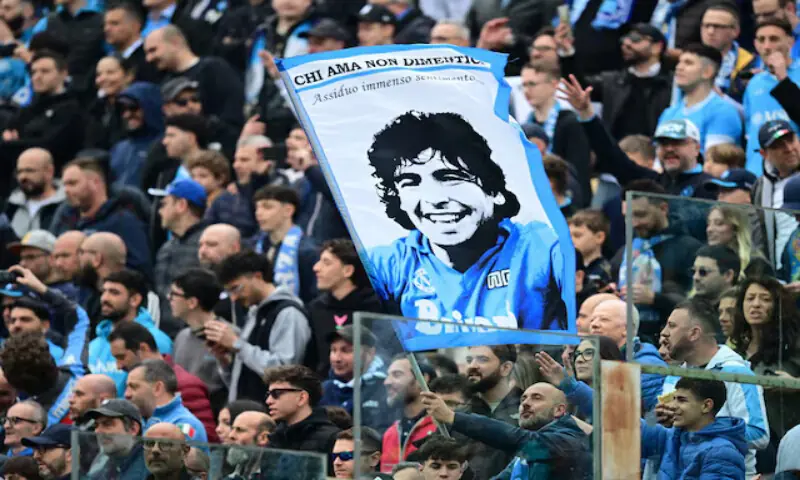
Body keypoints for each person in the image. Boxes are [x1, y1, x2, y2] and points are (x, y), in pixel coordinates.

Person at [366, 110, 569, 330]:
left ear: (493, 189)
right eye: (410, 182)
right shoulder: (388, 263)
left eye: (450, 177)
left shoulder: (541, 248)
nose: (434, 199)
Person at [658, 297, 769, 476]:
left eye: (672, 326)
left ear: (694, 334)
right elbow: (665, 433)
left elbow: (759, 434)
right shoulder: (674, 375)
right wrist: (659, 420)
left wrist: (703, 428)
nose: (664, 333)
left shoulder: (736, 373)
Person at [561, 76, 716, 201]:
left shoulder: (711, 187)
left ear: (696, 148)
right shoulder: (650, 183)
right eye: (663, 143)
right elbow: (611, 157)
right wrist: (586, 114)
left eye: (677, 143)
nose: (669, 149)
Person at [420, 382, 593, 479]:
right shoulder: (522, 457)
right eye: (523, 398)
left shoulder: (567, 440)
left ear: (559, 410)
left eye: (536, 398)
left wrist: (452, 417)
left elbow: (515, 438)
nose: (525, 403)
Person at [209, 251, 312, 402]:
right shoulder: (255, 312)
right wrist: (226, 361)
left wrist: (237, 344)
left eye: (236, 288)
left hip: (271, 419)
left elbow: (284, 371)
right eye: (228, 291)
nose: (233, 298)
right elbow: (242, 380)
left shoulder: (288, 312)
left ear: (257, 277)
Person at [558, 23, 671, 142]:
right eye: (625, 39)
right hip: (617, 154)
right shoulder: (613, 81)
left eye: (635, 39)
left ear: (657, 47)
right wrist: (567, 52)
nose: (626, 43)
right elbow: (579, 86)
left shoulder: (671, 84)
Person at [109, 322, 217, 442]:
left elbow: (206, 440)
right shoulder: (128, 379)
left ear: (143, 348)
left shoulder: (185, 384)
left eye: (122, 357)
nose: (118, 366)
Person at [53, 157, 152, 276]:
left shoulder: (122, 221)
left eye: (72, 183)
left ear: (95, 182)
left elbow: (141, 268)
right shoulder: (65, 220)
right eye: (65, 185)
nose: (66, 190)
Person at [731, 276, 800, 439]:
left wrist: (796, 384)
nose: (756, 304)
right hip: (748, 440)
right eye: (750, 298)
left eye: (765, 299)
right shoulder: (735, 351)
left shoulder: (794, 345)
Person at [640, 378, 747, 479]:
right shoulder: (674, 437)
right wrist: (652, 418)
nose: (672, 406)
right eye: (674, 399)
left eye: (681, 400)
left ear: (706, 406)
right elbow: (633, 428)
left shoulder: (722, 453)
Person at [88, 269, 173, 395]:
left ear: (135, 300)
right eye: (104, 292)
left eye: (114, 293)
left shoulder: (156, 340)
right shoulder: (95, 343)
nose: (104, 298)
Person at [0, 50, 84, 176]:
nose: (37, 77)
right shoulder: (27, 109)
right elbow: (8, 133)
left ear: (63, 74)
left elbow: (50, 145)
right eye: (34, 72)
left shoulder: (72, 109)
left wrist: (11, 144)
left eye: (45, 71)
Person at [144, 25, 243, 132]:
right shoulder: (165, 83)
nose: (149, 59)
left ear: (175, 42)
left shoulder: (214, 69)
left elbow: (233, 112)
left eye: (153, 50)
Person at [308, 238, 383, 372]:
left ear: (347, 270)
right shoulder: (316, 308)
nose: (316, 268)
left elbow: (385, 352)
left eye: (326, 262)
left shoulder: (375, 307)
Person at [522, 62, 591, 202]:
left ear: (554, 85)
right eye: (524, 85)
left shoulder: (570, 122)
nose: (527, 90)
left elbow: (580, 170)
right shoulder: (527, 123)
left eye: (532, 84)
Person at [658, 43, 743, 152]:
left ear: (707, 72)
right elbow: (658, 161)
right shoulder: (669, 113)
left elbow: (715, 163)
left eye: (688, 63)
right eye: (679, 62)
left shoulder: (723, 111)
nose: (679, 67)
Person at [588, 298, 667, 411]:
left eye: (604, 319)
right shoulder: (587, 359)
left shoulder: (646, 365)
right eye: (592, 320)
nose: (594, 325)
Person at [743, 18, 799, 175]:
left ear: (790, 42)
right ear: (755, 44)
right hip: (757, 173)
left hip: (794, 172)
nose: (767, 46)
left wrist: (783, 77)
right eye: (761, 40)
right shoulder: (753, 84)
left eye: (774, 39)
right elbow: (750, 132)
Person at [169, 268, 229, 413]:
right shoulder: (182, 336)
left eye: (174, 294)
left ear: (192, 302)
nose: (169, 299)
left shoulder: (227, 336)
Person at [252, 185, 319, 304]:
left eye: (267, 207)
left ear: (288, 210)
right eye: (257, 208)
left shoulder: (308, 250)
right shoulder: (257, 247)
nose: (259, 213)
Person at [535, 336, 623, 422]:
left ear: (607, 358)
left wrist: (573, 388)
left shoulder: (625, 393)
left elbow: (610, 414)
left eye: (588, 353)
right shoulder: (570, 398)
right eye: (577, 354)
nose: (579, 360)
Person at [148, 178, 210, 299]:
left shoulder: (207, 245)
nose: (160, 211)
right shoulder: (167, 247)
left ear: (181, 205)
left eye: (164, 204)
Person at [320, 325, 388, 432]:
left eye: (346, 351)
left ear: (370, 353)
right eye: (333, 350)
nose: (337, 358)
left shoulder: (385, 388)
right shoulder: (324, 389)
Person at [263, 365, 340, 458]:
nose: (268, 401)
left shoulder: (332, 439)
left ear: (302, 398)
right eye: (268, 394)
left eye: (276, 393)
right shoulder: (275, 439)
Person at [124, 359, 208, 442]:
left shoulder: (185, 425)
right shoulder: (137, 421)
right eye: (126, 387)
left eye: (134, 387)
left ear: (157, 388)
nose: (126, 394)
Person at [380, 355, 438, 473]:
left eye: (397, 374)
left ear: (421, 379)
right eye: (388, 375)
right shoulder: (391, 432)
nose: (387, 382)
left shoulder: (440, 427)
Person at [189, 151, 257, 237]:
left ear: (220, 178)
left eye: (203, 176)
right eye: (192, 176)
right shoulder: (197, 203)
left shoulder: (230, 202)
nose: (196, 181)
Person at [110, 83, 165, 188]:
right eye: (122, 110)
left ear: (150, 107)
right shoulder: (119, 148)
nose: (127, 115)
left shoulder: (165, 145)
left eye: (133, 108)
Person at [4, 148, 65, 238]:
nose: (23, 177)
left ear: (49, 172)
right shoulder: (10, 206)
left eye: (29, 171)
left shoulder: (66, 205)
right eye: (19, 171)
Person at [701, 4, 755, 102]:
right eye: (706, 25)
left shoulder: (751, 63)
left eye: (717, 26)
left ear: (735, 31)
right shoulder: (688, 61)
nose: (710, 31)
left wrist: (722, 98)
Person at [84, 398, 147, 480]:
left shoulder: (150, 467)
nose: (97, 431)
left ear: (133, 429)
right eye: (96, 425)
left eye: (107, 424)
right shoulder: (104, 462)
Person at [103, 2, 161, 83]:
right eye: (105, 24)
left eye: (114, 23)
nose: (107, 29)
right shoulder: (107, 59)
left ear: (136, 25)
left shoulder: (149, 58)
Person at [568, 210, 612, 299]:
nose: (570, 241)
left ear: (599, 237)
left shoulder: (605, 271)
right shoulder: (569, 266)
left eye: (577, 235)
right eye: (569, 236)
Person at [223, 410, 275, 478]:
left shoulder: (274, 473)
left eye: (240, 430)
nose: (231, 435)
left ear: (263, 438)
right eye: (232, 429)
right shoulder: (234, 472)